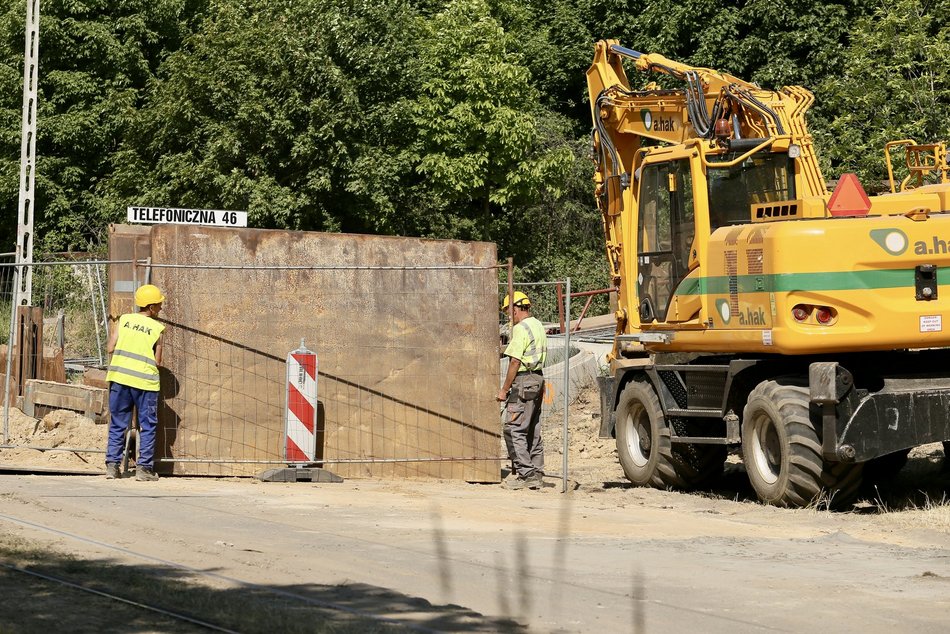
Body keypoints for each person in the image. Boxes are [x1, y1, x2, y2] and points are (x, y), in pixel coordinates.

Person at [104, 284, 166, 481]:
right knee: (147, 425)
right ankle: (144, 469)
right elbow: (157, 361)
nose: (161, 308)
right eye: (159, 304)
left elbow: (110, 347)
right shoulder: (158, 328)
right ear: (151, 307)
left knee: (118, 423)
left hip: (120, 379)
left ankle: (113, 467)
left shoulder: (123, 320)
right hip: (145, 383)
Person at [497, 291, 547, 490]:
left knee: (514, 429)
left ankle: (526, 474)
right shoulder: (538, 325)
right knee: (533, 428)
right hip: (538, 378)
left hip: (524, 380)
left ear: (516, 308)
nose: (510, 316)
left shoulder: (520, 329)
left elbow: (515, 361)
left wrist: (504, 389)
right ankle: (537, 471)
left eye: (509, 311)